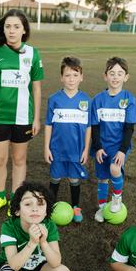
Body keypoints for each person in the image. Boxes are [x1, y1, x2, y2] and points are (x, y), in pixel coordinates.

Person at [0, 9, 44, 216]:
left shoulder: (33, 53)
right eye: (8, 26)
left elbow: (36, 88)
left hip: (23, 117)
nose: (11, 31)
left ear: (24, 30)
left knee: (19, 159)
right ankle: (0, 197)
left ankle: (15, 201)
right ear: (3, 28)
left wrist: (36, 118)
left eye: (16, 26)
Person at [44, 56, 93, 223]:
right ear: (61, 78)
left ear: (81, 77)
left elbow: (88, 127)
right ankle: (49, 207)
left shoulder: (86, 100)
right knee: (55, 178)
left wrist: (86, 149)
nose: (71, 79)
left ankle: (76, 206)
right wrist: (46, 148)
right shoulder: (54, 99)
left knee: (74, 178)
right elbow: (49, 125)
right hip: (57, 149)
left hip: (77, 150)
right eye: (67, 75)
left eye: (75, 75)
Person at [90, 57, 136, 222]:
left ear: (126, 77)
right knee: (102, 177)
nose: (115, 77)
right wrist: (97, 147)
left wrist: (122, 150)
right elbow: (94, 126)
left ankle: (117, 197)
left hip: (119, 146)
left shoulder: (129, 99)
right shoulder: (98, 99)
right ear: (105, 76)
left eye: (119, 73)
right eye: (112, 73)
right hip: (102, 146)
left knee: (115, 170)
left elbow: (129, 128)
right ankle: (102, 208)